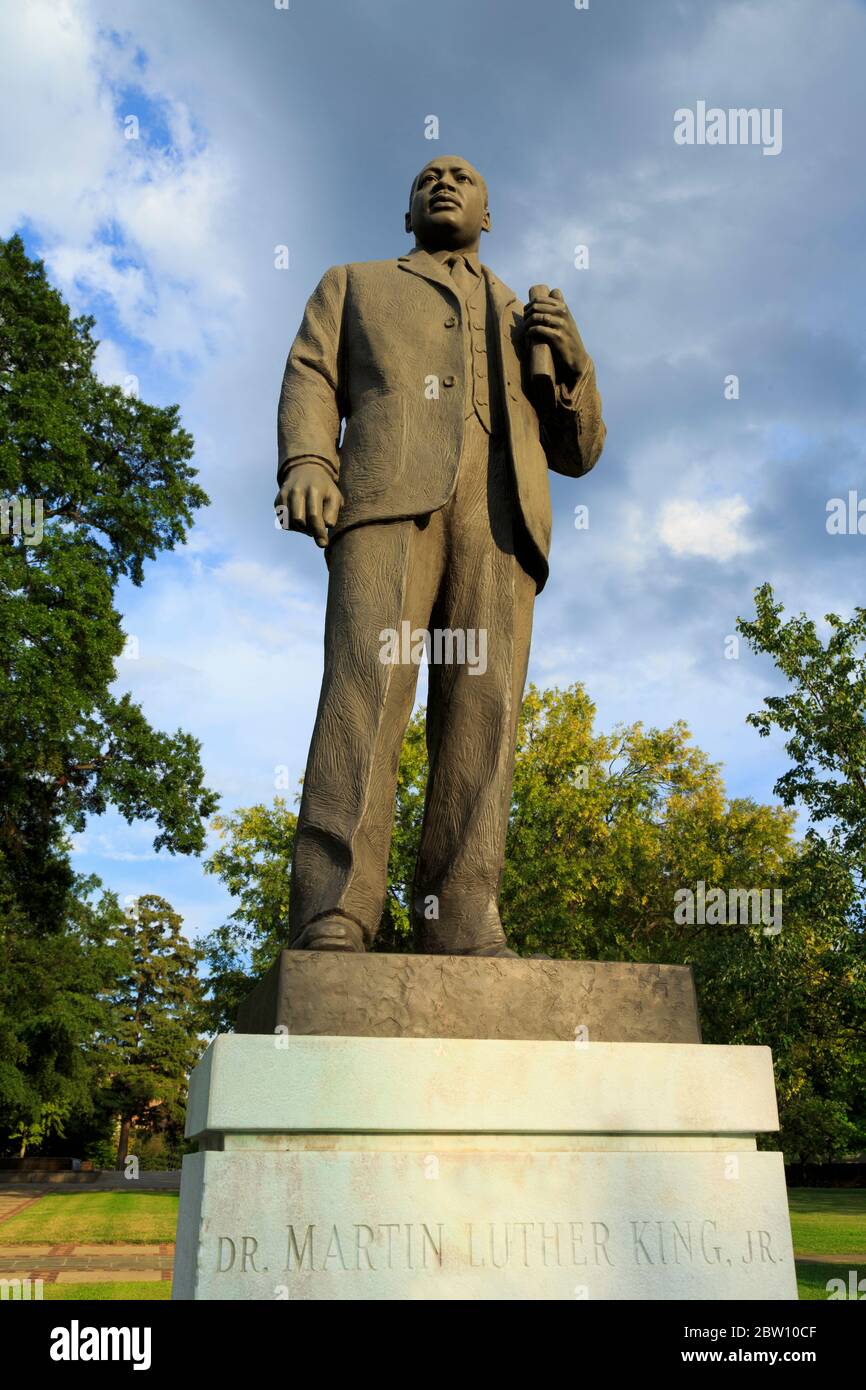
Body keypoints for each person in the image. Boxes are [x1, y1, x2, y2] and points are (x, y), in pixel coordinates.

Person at [275, 156, 605, 955]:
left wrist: (571, 366)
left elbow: (580, 451)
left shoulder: (525, 314)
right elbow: (311, 374)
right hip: (386, 502)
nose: (445, 182)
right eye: (429, 177)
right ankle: (336, 910)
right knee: (364, 694)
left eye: (463, 177)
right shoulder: (352, 282)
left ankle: (460, 914)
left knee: (486, 716)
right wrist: (309, 463)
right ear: (407, 212)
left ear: (488, 215)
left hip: (500, 519)